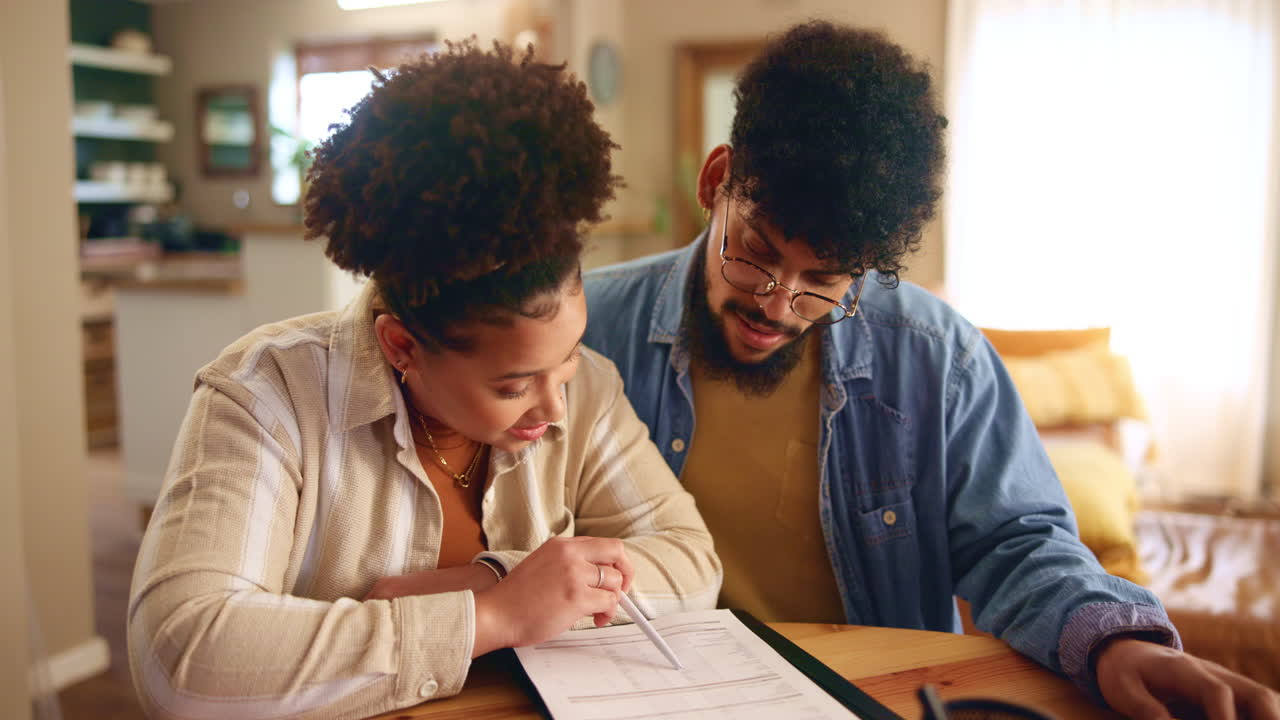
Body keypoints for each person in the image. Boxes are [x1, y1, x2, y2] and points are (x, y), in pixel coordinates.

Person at [582, 20, 1279, 720]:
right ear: (714, 182)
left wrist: (1117, 644)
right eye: (756, 254)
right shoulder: (592, 330)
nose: (778, 303)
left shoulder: (938, 357)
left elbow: (1018, 543)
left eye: (823, 279)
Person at [127, 40, 720, 720]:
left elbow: (691, 563)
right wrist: (489, 617)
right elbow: (184, 660)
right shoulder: (268, 392)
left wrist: (489, 578)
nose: (555, 406)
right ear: (401, 345)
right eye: (512, 385)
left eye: (567, 357)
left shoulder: (584, 386)